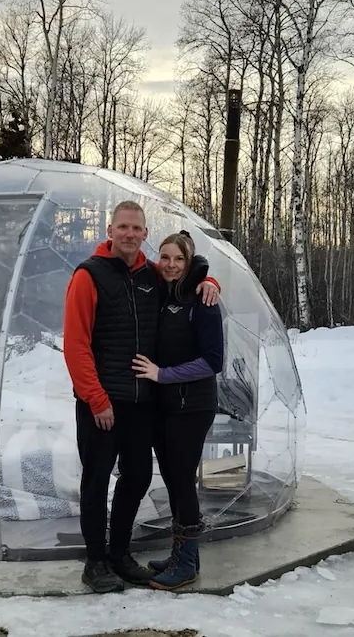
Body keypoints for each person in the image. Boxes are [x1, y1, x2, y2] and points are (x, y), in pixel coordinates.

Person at [62, 201, 220, 593]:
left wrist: (210, 283)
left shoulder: (149, 273)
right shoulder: (88, 275)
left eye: (137, 228)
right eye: (123, 227)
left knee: (137, 476)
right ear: (111, 229)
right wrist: (96, 399)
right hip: (103, 403)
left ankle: (119, 553)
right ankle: (95, 561)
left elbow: (181, 272)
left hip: (142, 403)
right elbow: (76, 345)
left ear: (144, 234)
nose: (130, 234)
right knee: (97, 481)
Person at [131, 230, 223, 591]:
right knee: (173, 479)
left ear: (189, 262)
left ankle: (186, 564)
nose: (170, 265)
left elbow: (212, 360)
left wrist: (161, 374)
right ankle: (182, 553)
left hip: (193, 406)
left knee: (182, 480)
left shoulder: (204, 300)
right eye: (165, 258)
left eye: (179, 259)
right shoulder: (164, 292)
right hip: (167, 405)